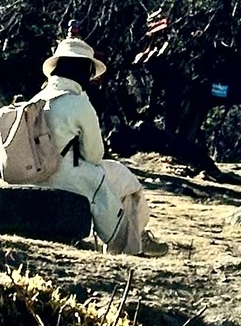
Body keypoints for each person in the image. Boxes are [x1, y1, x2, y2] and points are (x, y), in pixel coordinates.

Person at [37, 33, 165, 257]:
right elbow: (95, 155)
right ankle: (131, 242)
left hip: (33, 176)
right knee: (123, 178)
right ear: (83, 70)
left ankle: (133, 238)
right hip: (64, 177)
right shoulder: (77, 103)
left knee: (109, 179)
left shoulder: (36, 99)